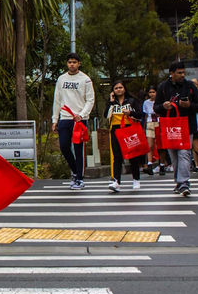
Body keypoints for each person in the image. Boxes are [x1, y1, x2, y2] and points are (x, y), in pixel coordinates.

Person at [155, 61, 198, 196]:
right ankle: (178, 181)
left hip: (186, 125)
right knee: (174, 155)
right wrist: (163, 106)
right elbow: (156, 108)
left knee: (184, 153)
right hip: (170, 126)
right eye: (179, 73)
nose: (182, 75)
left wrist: (189, 105)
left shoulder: (189, 86)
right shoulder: (163, 87)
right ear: (172, 73)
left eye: (183, 72)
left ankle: (184, 182)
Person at [50, 52, 95, 190]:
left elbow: (90, 100)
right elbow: (57, 100)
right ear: (67, 63)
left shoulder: (85, 79)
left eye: (74, 62)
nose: (72, 64)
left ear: (79, 64)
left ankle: (80, 179)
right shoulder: (61, 79)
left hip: (79, 120)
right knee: (64, 147)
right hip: (65, 118)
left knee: (78, 149)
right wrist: (55, 119)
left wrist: (82, 115)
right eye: (69, 62)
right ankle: (75, 171)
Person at [104, 80, 143, 192]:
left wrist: (130, 113)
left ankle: (136, 179)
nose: (118, 90)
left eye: (120, 87)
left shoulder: (132, 101)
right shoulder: (112, 102)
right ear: (113, 91)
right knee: (117, 156)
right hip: (115, 130)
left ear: (124, 88)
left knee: (133, 155)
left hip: (129, 129)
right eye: (116, 88)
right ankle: (116, 181)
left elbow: (140, 114)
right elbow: (106, 115)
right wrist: (111, 102)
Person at [142, 87, 168, 176]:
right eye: (150, 92)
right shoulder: (146, 102)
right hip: (150, 123)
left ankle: (162, 164)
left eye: (153, 92)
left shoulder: (160, 102)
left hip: (159, 123)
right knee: (150, 145)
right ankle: (149, 164)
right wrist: (144, 126)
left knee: (161, 146)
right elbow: (145, 115)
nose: (152, 94)